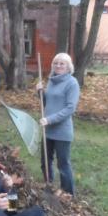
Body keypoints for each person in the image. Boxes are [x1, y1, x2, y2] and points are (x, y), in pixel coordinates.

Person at [36, 53, 80, 195]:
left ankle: (68, 194)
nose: (59, 66)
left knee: (63, 164)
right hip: (47, 130)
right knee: (45, 162)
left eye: (62, 63)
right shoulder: (51, 81)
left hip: (62, 131)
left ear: (69, 67)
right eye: (56, 63)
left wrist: (50, 119)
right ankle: (49, 187)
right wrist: (40, 93)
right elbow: (46, 104)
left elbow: (70, 108)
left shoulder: (72, 83)